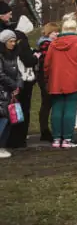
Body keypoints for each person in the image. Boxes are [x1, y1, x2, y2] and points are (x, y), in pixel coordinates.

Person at [45, 14, 77, 149]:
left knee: (56, 110)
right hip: (74, 82)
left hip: (55, 82)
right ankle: (67, 138)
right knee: (70, 110)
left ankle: (56, 138)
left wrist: (48, 79)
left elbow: (47, 65)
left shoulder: (53, 44)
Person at [4, 16, 36, 150]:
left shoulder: (9, 39)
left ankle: (10, 137)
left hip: (12, 78)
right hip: (23, 79)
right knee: (22, 109)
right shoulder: (22, 40)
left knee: (12, 108)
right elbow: (28, 60)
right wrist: (35, 57)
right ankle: (19, 139)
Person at [35, 22, 58, 143]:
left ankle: (45, 129)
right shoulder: (46, 45)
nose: (57, 34)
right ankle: (44, 130)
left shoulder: (45, 43)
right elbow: (47, 63)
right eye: (55, 32)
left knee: (46, 103)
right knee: (47, 103)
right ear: (49, 33)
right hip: (45, 78)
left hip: (44, 77)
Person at [0, 30, 21, 157]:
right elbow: (0, 74)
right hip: (2, 91)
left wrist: (18, 85)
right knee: (3, 119)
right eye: (10, 41)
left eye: (14, 41)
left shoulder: (13, 56)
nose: (13, 43)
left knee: (8, 120)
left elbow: (18, 72)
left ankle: (2, 146)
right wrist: (13, 85)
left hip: (10, 91)